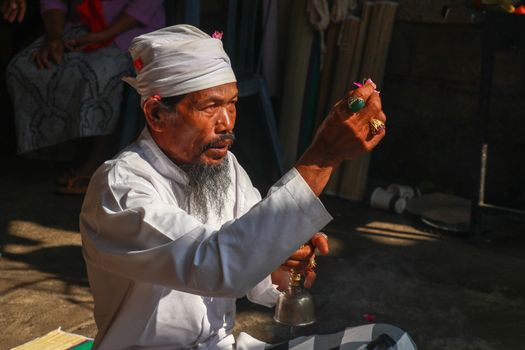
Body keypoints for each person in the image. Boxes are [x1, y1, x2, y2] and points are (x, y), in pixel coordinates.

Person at [80, 25, 390, 349]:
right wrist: (321, 159)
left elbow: (254, 272)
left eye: (232, 103)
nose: (227, 122)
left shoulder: (224, 167)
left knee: (388, 342)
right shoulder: (119, 189)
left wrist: (281, 258)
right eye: (210, 106)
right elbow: (217, 265)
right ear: (157, 114)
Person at [5, 0, 165, 194]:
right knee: (23, 69)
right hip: (76, 30)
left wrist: (104, 35)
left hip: (129, 33)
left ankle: (97, 161)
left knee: (99, 75)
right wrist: (54, 37)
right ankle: (61, 151)